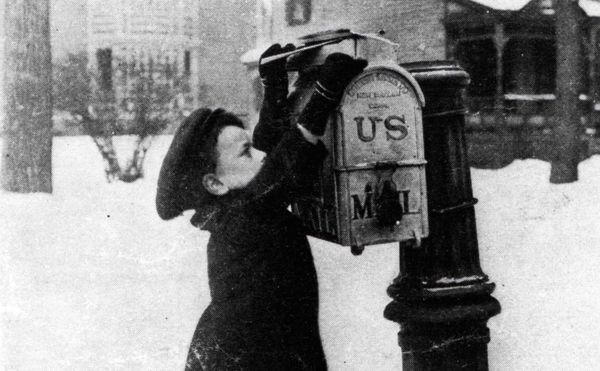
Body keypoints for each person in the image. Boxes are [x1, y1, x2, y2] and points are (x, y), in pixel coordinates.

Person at [156, 43, 367, 370]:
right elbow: (281, 170)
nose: (260, 156)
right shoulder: (243, 220)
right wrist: (323, 97)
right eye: (245, 153)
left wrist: (275, 89)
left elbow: (269, 152)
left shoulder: (232, 212)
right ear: (215, 183)